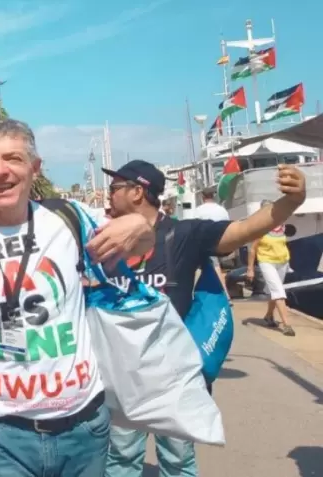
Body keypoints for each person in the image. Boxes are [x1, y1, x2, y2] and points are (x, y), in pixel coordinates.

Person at [0, 119, 156, 477]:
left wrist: (142, 226)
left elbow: (143, 246)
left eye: (12, 158)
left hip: (84, 430)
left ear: (34, 168)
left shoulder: (69, 218)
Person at [101, 161, 306, 477]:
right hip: (122, 375)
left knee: (178, 461)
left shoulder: (184, 234)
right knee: (121, 461)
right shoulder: (105, 237)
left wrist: (292, 202)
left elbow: (242, 230)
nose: (108, 196)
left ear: (138, 191)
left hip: (173, 375)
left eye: (114, 188)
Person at [247, 203, 295, 336]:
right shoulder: (261, 228)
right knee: (278, 292)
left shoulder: (281, 224)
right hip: (267, 262)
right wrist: (250, 268)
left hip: (282, 262)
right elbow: (252, 249)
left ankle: (268, 316)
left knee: (274, 291)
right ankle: (287, 325)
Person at [194, 187, 231, 297]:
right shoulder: (222, 209)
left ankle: (225, 295)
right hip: (224, 241)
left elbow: (193, 228)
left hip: (208, 243)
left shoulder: (199, 210)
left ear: (202, 196)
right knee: (218, 267)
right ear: (213, 196)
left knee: (215, 267)